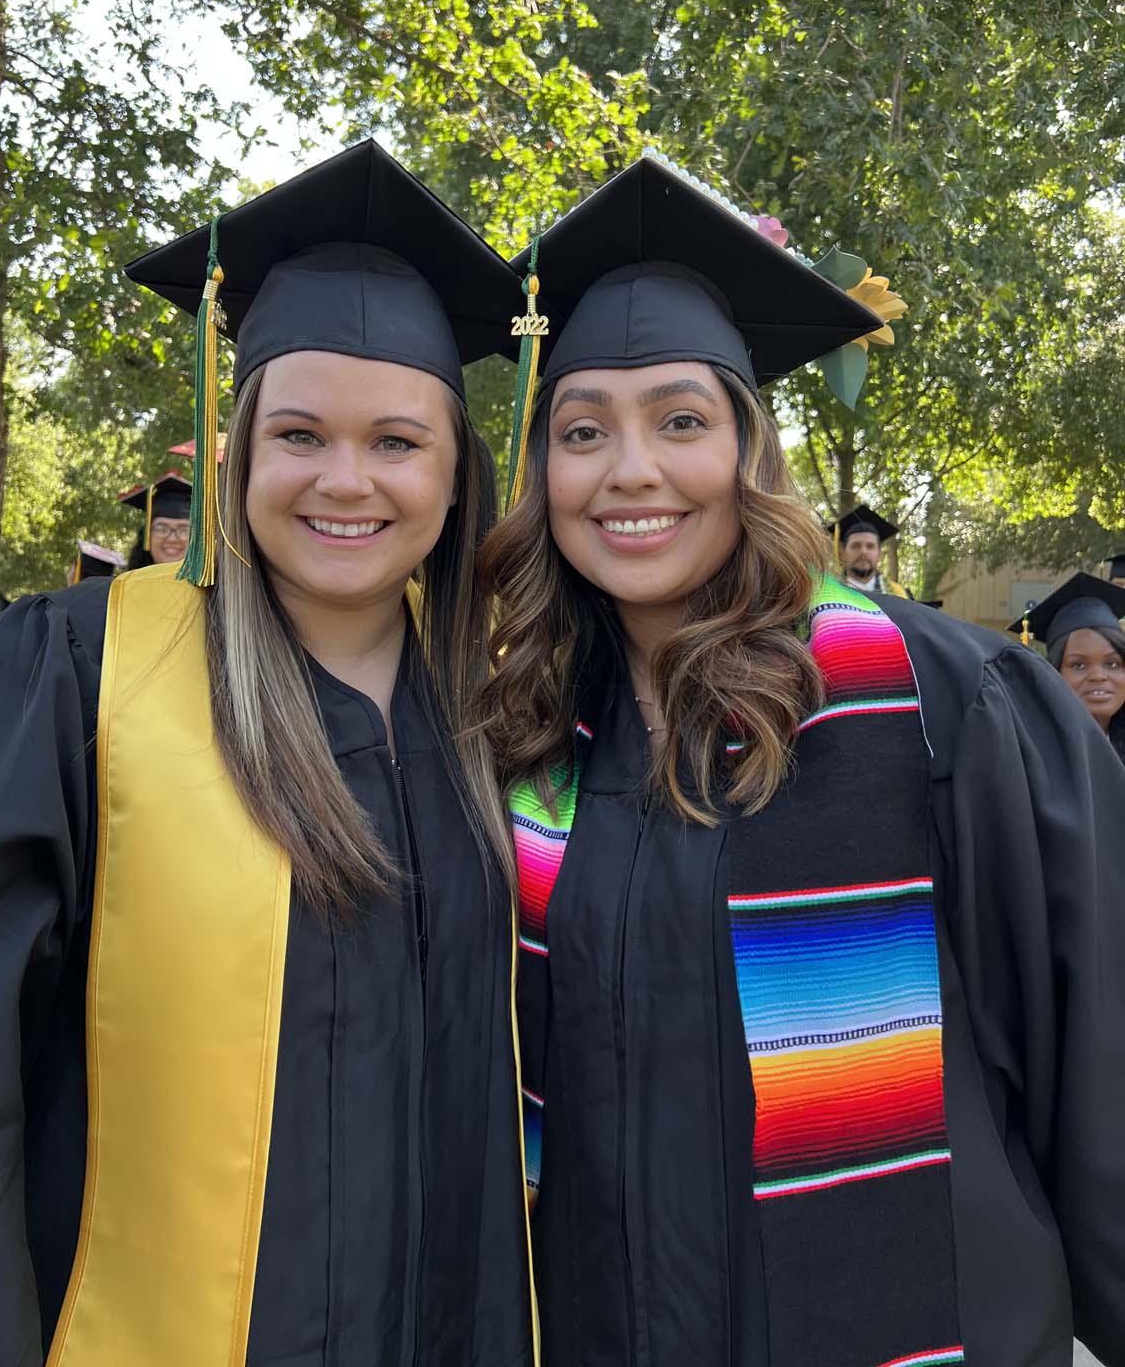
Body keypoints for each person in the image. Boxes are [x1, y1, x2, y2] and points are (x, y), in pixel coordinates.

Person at [473, 153, 1125, 1367]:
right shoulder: (529, 745)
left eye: (681, 420)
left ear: (749, 450)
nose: (630, 470)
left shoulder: (941, 701)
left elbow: (1098, 1058)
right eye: (582, 431)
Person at [0, 140, 536, 1367]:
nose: (346, 482)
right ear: (239, 448)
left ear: (456, 468)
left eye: (397, 442)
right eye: (300, 434)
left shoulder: (503, 705)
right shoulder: (82, 671)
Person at [1009, 572, 1125, 765]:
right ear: (1055, 673)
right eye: (1078, 665)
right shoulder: (1030, 755)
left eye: (1112, 664)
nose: (1098, 676)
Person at [828, 503, 911, 596]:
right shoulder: (826, 594)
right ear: (843, 553)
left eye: (870, 546)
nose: (863, 551)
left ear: (879, 554)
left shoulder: (898, 594)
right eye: (856, 546)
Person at [119, 470, 192, 568]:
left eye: (184, 530)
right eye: (161, 529)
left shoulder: (212, 578)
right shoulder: (128, 578)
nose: (172, 538)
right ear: (146, 536)